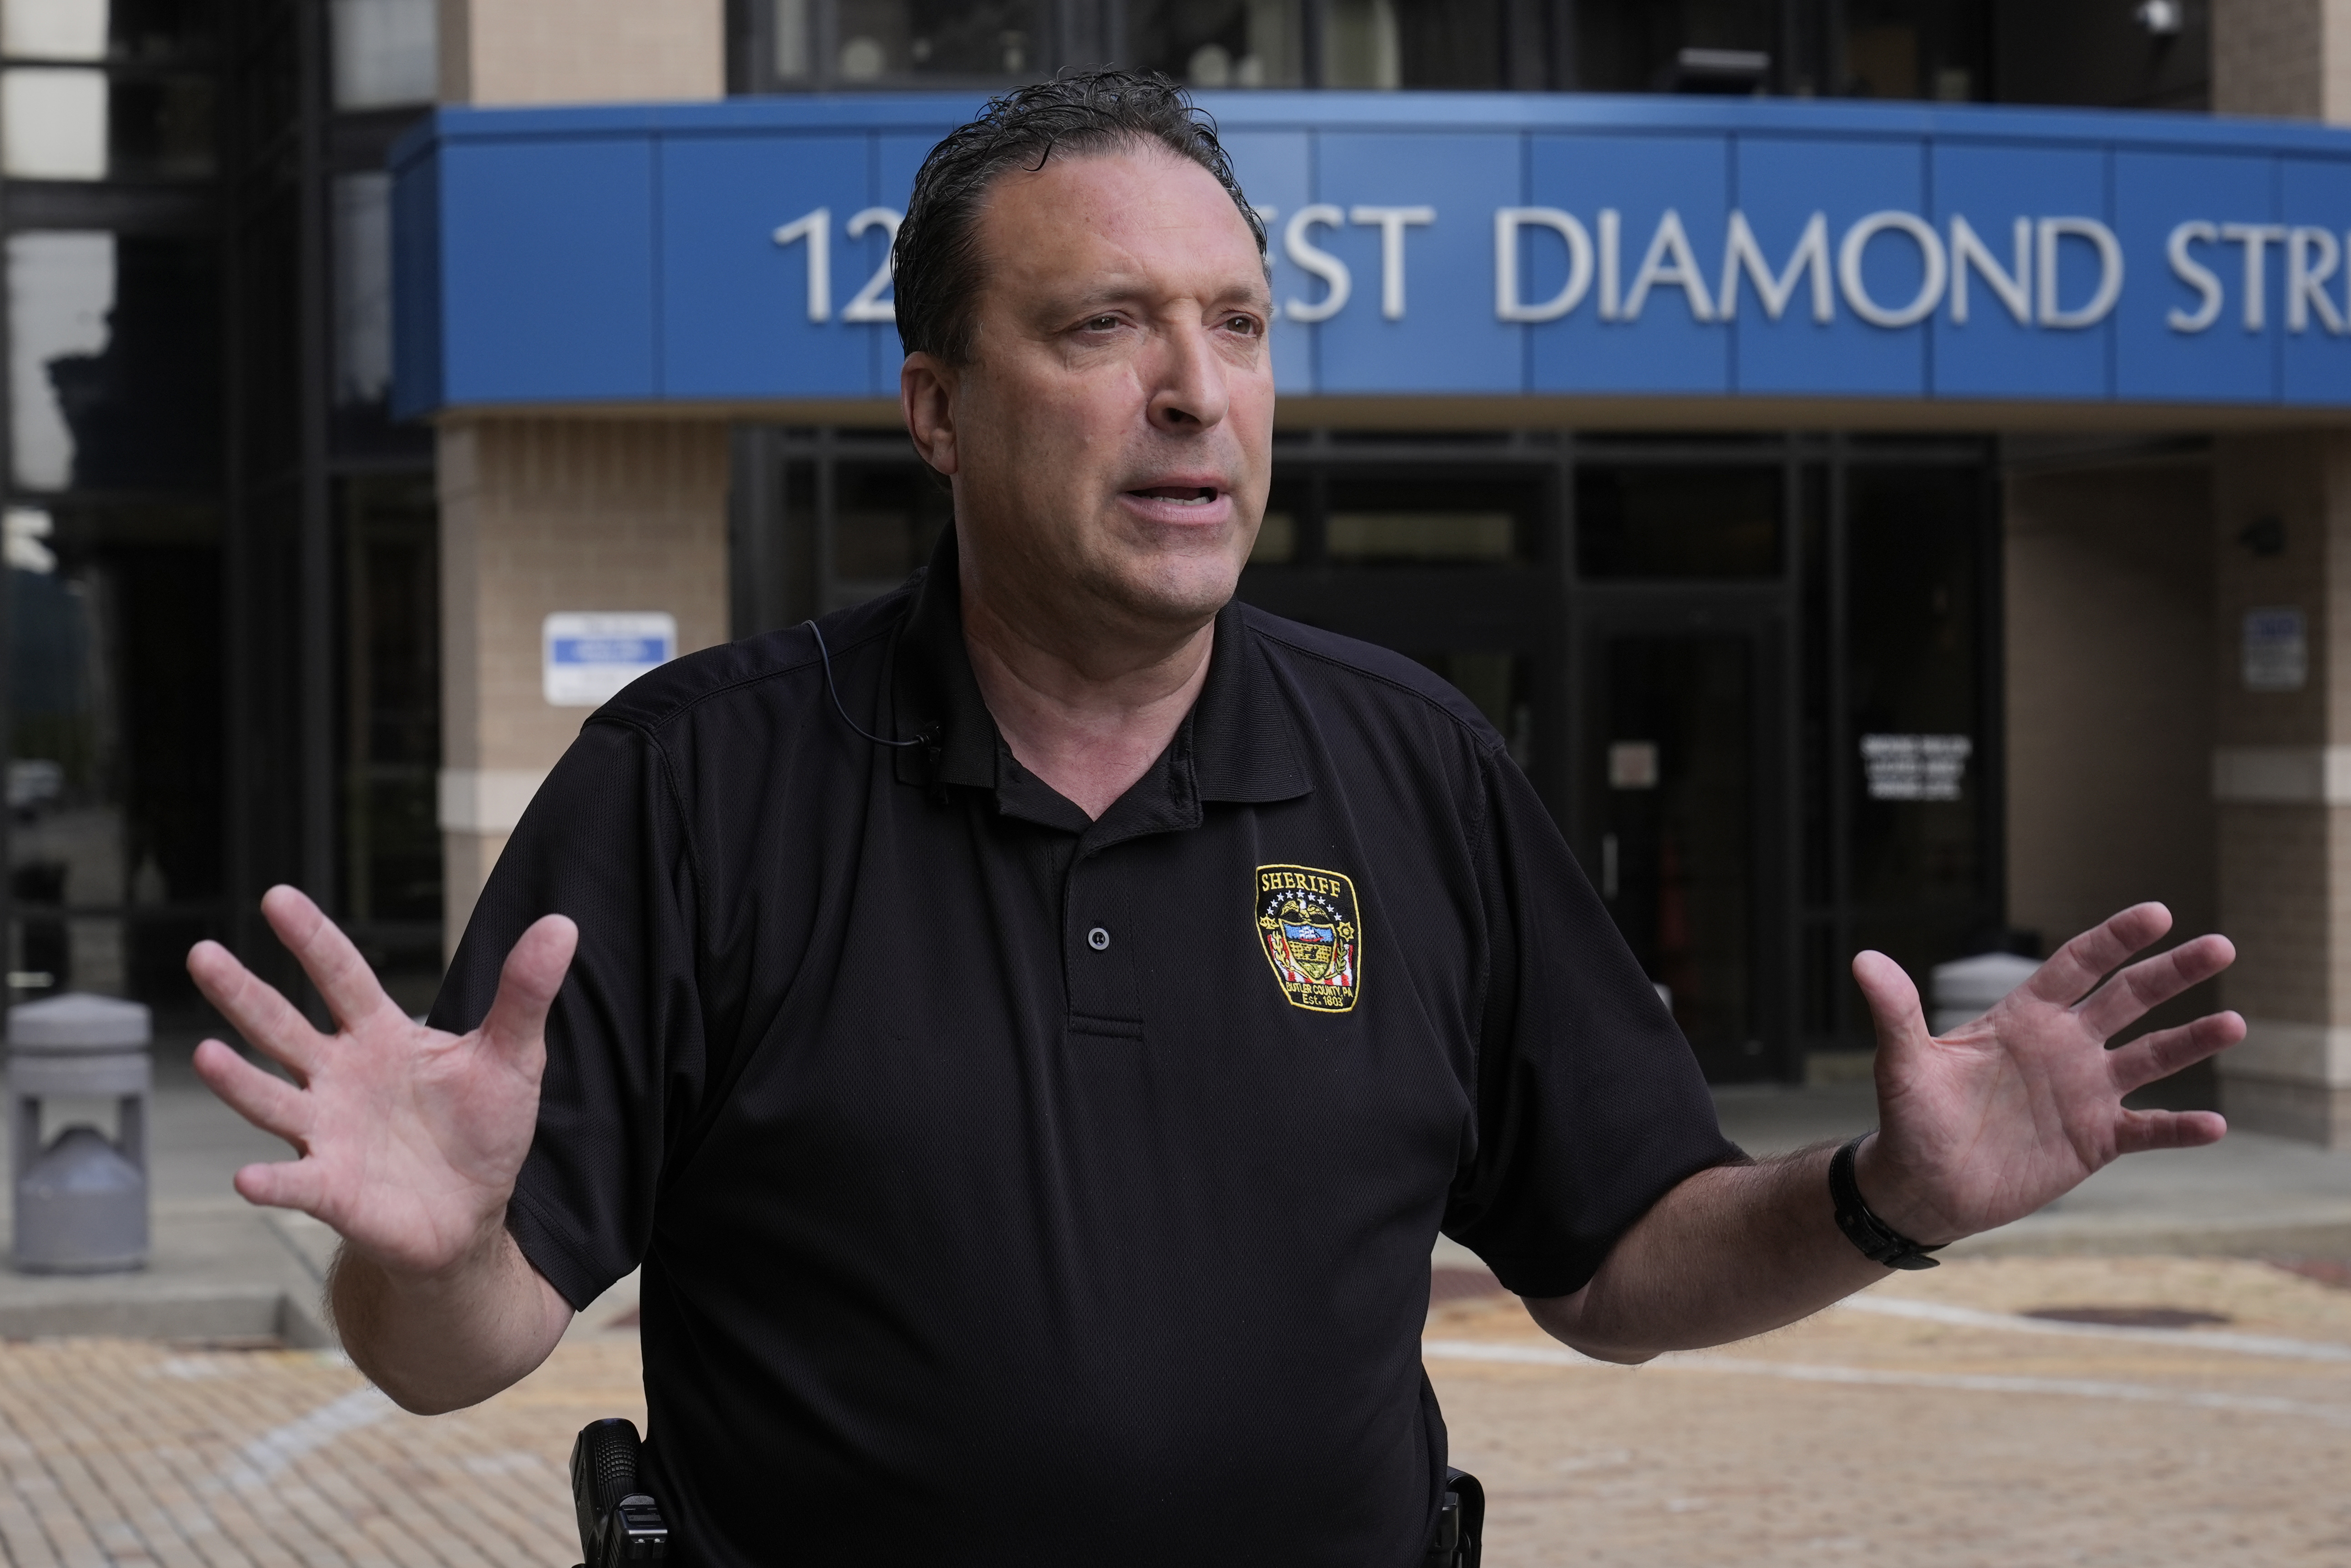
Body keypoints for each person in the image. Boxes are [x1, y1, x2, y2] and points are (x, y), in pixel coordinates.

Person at [186, 71, 2244, 1567]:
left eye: (1238, 324)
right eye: (1104, 328)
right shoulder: (697, 783)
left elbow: (1620, 1266)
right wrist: (427, 1251)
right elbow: (454, 1356)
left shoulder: (1414, 771)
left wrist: (1890, 1200)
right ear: (932, 404)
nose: (1197, 391)